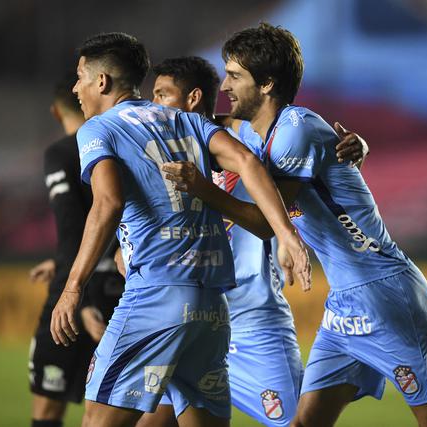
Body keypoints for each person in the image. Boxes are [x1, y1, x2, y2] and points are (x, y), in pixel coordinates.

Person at [164, 23, 427, 427]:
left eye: (235, 76)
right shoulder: (257, 134)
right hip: (344, 304)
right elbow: (204, 124)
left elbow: (267, 222)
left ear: (267, 84)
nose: (226, 85)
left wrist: (201, 188)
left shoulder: (295, 131)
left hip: (385, 294)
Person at [49, 32, 311, 427]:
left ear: (101, 82)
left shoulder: (99, 129)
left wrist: (72, 287)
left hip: (155, 299)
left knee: (96, 421)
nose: (76, 88)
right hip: (211, 309)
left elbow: (107, 202)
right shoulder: (188, 122)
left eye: (81, 76)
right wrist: (286, 234)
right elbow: (248, 162)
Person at [139, 56, 367, 427]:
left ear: (194, 98)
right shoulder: (159, 151)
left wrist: (357, 146)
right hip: (188, 319)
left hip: (253, 324)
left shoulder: (248, 140)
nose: (154, 106)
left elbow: (312, 143)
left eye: (163, 95)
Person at [28, 76, 124, 427]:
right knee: (110, 410)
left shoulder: (63, 152)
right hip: (126, 291)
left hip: (80, 292)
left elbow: (74, 229)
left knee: (48, 409)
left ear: (56, 112)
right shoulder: (121, 142)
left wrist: (78, 298)